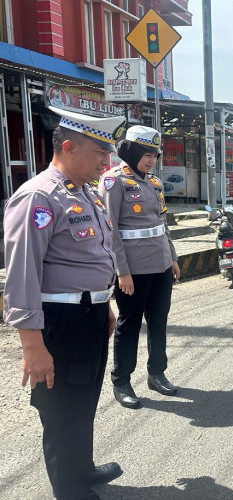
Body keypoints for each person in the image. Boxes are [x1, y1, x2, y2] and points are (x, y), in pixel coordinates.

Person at [3, 107, 125, 499]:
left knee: (84, 399)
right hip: (59, 322)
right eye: (100, 154)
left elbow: (88, 257)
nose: (107, 163)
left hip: (88, 314)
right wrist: (32, 346)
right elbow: (21, 275)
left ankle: (82, 469)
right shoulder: (39, 196)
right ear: (69, 148)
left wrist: (103, 302)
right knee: (62, 411)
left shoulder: (84, 191)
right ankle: (71, 490)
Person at [98, 126, 180, 409]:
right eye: (146, 155)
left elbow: (162, 223)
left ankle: (157, 373)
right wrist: (122, 272)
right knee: (129, 325)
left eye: (154, 156)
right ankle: (121, 380)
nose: (151, 161)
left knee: (159, 322)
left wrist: (172, 257)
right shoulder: (113, 182)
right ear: (132, 152)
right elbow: (111, 231)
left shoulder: (154, 183)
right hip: (133, 271)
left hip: (160, 266)